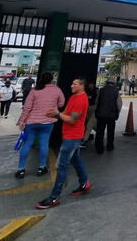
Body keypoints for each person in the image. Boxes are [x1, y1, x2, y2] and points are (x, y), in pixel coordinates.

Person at [36, 78, 91, 209]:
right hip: (68, 135)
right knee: (76, 160)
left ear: (82, 86)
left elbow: (72, 120)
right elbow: (65, 113)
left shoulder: (81, 100)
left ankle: (54, 197)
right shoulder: (73, 97)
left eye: (75, 84)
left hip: (73, 137)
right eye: (72, 83)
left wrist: (58, 114)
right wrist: (55, 115)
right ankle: (84, 183)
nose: (71, 85)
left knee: (61, 166)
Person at [15, 72, 64, 179]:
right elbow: (61, 103)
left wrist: (22, 121)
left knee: (27, 144)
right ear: (52, 80)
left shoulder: (34, 91)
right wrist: (53, 105)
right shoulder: (57, 90)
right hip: (48, 121)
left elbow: (27, 108)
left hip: (31, 122)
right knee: (44, 144)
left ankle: (21, 169)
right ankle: (42, 167)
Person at [94, 79, 123, 154]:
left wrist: (97, 110)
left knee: (100, 132)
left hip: (101, 115)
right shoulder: (116, 91)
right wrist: (117, 112)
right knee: (111, 132)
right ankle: (110, 146)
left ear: (106, 83)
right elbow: (119, 104)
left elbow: (96, 102)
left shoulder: (101, 90)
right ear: (113, 84)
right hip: (111, 115)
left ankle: (99, 148)